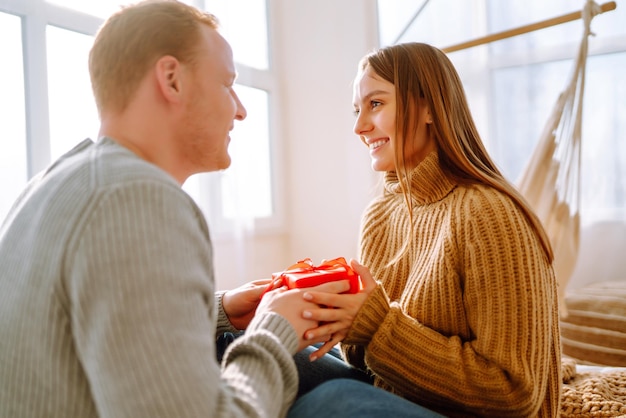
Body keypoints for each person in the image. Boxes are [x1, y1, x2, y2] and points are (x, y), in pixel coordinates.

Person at [0, 1, 350, 417]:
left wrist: (220, 311)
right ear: (172, 79)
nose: (240, 109)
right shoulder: (136, 199)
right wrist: (275, 332)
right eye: (226, 84)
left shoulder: (58, 182)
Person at [296, 42, 562, 417]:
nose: (359, 127)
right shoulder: (380, 213)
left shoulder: (488, 214)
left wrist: (375, 323)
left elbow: (514, 392)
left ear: (428, 108)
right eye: (357, 110)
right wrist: (341, 315)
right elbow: (366, 361)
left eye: (375, 104)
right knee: (253, 344)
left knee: (335, 399)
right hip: (405, 398)